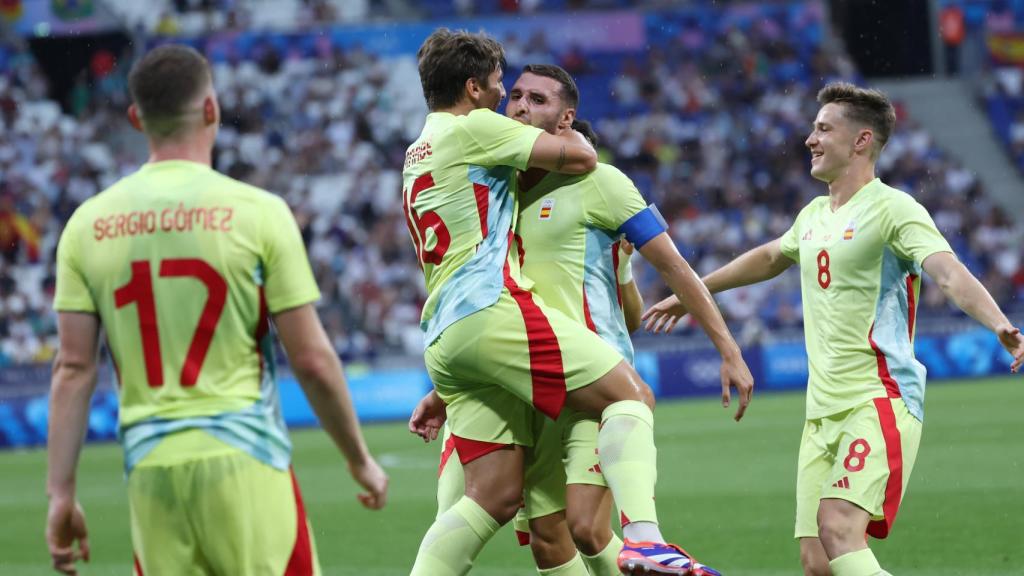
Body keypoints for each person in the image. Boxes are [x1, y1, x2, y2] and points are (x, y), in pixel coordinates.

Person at [404, 29, 753, 576]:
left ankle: (646, 540)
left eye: (534, 99)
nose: (513, 104)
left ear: (566, 119)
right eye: (511, 92)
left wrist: (726, 346)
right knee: (541, 532)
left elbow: (665, 273)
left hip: (567, 363)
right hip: (524, 364)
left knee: (586, 527)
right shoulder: (503, 179)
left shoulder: (600, 182)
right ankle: (644, 546)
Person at [642, 81, 1024, 576]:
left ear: (861, 141)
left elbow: (947, 271)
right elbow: (768, 257)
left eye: (823, 128)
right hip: (820, 411)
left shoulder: (895, 209)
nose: (809, 138)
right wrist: (693, 291)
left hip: (877, 397)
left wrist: (1000, 323)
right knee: (817, 562)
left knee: (839, 526)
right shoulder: (814, 214)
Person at [45, 45, 388, 576]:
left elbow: (73, 368)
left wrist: (60, 494)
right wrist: (359, 459)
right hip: (245, 458)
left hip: (150, 470)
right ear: (212, 110)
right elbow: (313, 360)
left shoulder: (87, 225)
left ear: (137, 119)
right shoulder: (258, 213)